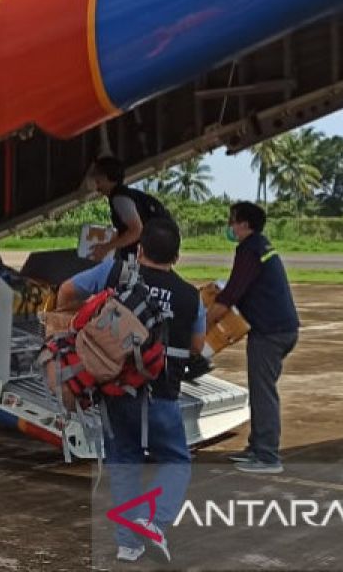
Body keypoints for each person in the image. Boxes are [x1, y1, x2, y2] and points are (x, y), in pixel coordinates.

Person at [58, 218, 205, 564]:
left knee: (123, 461)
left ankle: (128, 544)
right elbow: (198, 345)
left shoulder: (114, 273)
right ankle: (154, 522)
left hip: (115, 390)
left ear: (139, 251)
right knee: (176, 461)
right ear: (178, 256)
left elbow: (66, 290)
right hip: (161, 395)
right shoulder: (190, 297)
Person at [206, 202, 299, 475]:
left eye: (232, 221)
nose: (230, 227)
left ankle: (267, 455)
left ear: (244, 224)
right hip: (280, 328)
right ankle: (257, 447)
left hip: (270, 333)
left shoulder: (249, 250)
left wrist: (202, 324)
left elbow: (231, 294)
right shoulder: (261, 245)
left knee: (262, 393)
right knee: (261, 390)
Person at [85, 156, 171, 263]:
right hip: (156, 251)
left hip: (143, 255)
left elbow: (136, 231)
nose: (97, 185)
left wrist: (106, 247)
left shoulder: (119, 199)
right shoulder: (128, 195)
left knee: (128, 279)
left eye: (98, 179)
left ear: (106, 177)